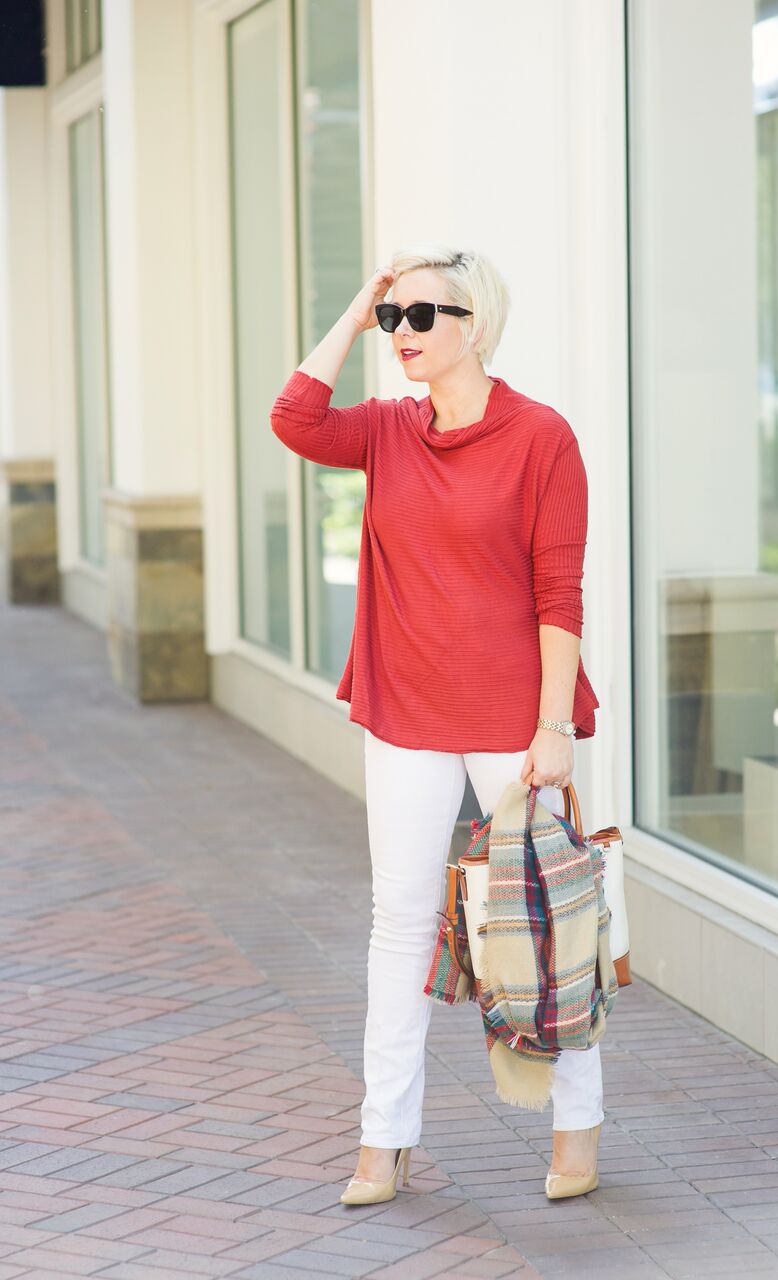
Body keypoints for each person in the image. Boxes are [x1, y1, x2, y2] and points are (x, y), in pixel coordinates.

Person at [269, 244, 603, 1204]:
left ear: (477, 326)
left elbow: (559, 593)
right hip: (407, 711)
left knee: (548, 926)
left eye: (424, 317)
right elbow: (296, 417)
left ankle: (576, 1128)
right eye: (394, 319)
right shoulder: (384, 430)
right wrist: (360, 297)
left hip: (514, 718)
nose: (403, 336)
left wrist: (553, 727)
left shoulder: (542, 437)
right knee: (400, 922)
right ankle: (385, 1139)